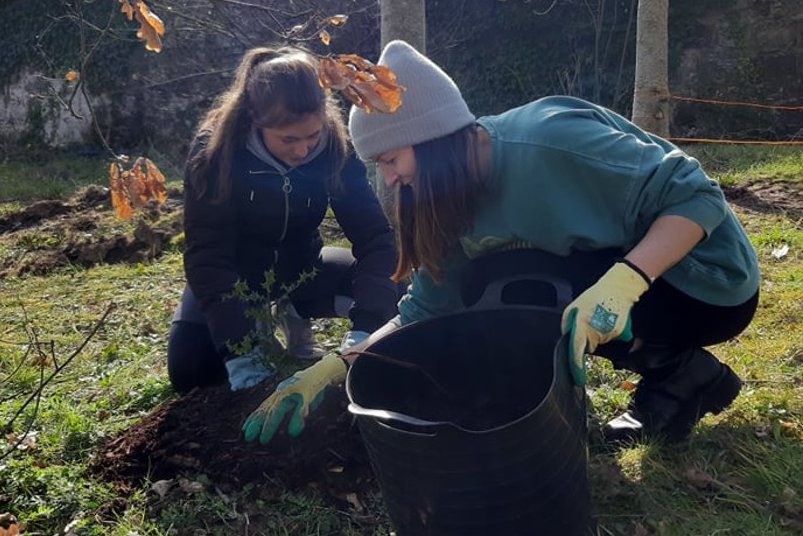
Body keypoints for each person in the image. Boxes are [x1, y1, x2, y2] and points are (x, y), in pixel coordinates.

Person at [241, 40, 759, 446]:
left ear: (432, 137)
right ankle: (684, 378)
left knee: (518, 282)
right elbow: (427, 306)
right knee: (478, 283)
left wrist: (624, 283)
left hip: (705, 283)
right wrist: (338, 364)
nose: (391, 180)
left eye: (391, 160)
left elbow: (699, 199)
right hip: (620, 279)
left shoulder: (548, 141)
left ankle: (674, 372)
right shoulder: (448, 201)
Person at [167, 46, 402, 394]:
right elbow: (207, 255)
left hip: (302, 270)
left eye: (312, 136)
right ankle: (255, 328)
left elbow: (376, 239)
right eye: (288, 139)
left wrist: (366, 331)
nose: (303, 150)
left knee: (399, 292)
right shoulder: (215, 153)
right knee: (190, 369)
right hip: (236, 279)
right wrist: (242, 353)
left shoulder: (336, 148)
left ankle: (293, 312)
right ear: (254, 120)